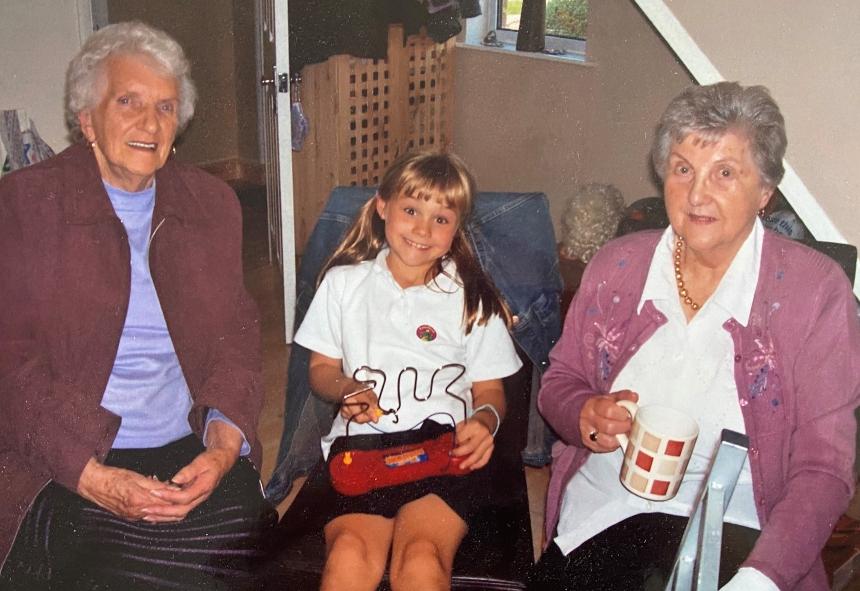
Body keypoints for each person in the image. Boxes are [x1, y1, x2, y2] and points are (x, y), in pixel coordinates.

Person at [530, 82, 860, 591]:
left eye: (725, 172)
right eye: (683, 169)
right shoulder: (617, 266)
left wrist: (760, 579)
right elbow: (562, 381)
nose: (697, 193)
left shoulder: (816, 293)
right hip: (607, 512)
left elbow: (825, 468)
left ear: (766, 190)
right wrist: (584, 414)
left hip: (746, 529)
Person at [0, 21, 276, 590]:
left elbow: (238, 338)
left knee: (245, 544)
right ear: (87, 119)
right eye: (128, 101)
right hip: (66, 459)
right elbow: (10, 364)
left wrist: (223, 446)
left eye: (167, 107)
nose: (150, 123)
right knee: (146, 570)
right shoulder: (26, 205)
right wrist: (94, 477)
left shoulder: (212, 204)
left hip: (185, 444)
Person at [293, 152, 523, 591]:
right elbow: (321, 368)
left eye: (441, 218)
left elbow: (490, 389)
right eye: (412, 210)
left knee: (421, 560)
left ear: (457, 228)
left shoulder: (473, 297)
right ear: (382, 208)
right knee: (349, 557)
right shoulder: (344, 285)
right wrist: (346, 388)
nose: (422, 229)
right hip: (362, 446)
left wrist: (485, 420)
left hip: (444, 448)